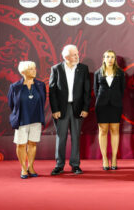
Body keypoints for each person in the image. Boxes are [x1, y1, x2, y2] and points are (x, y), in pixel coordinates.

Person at [49, 44, 91, 175]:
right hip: (61, 109)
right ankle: (59, 165)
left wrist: (85, 107)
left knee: (76, 137)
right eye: (74, 55)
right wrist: (55, 109)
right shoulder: (56, 69)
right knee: (61, 138)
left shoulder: (83, 69)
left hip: (77, 108)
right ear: (66, 57)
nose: (77, 56)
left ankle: (75, 165)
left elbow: (87, 90)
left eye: (77, 54)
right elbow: (52, 91)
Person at [8, 61, 46, 179]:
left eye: (34, 68)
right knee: (21, 145)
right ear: (23, 72)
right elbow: (11, 104)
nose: (34, 71)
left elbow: (43, 100)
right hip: (21, 120)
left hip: (36, 119)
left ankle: (31, 166)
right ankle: (23, 168)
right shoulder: (15, 87)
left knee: (33, 144)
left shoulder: (40, 85)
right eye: (31, 69)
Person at [94, 50, 125, 171]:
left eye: (112, 57)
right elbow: (96, 90)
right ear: (103, 58)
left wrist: (115, 98)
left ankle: (114, 158)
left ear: (115, 59)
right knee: (103, 131)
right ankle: (105, 159)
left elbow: (122, 90)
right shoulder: (98, 73)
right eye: (107, 57)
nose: (110, 59)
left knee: (115, 130)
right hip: (101, 105)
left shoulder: (120, 73)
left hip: (116, 105)